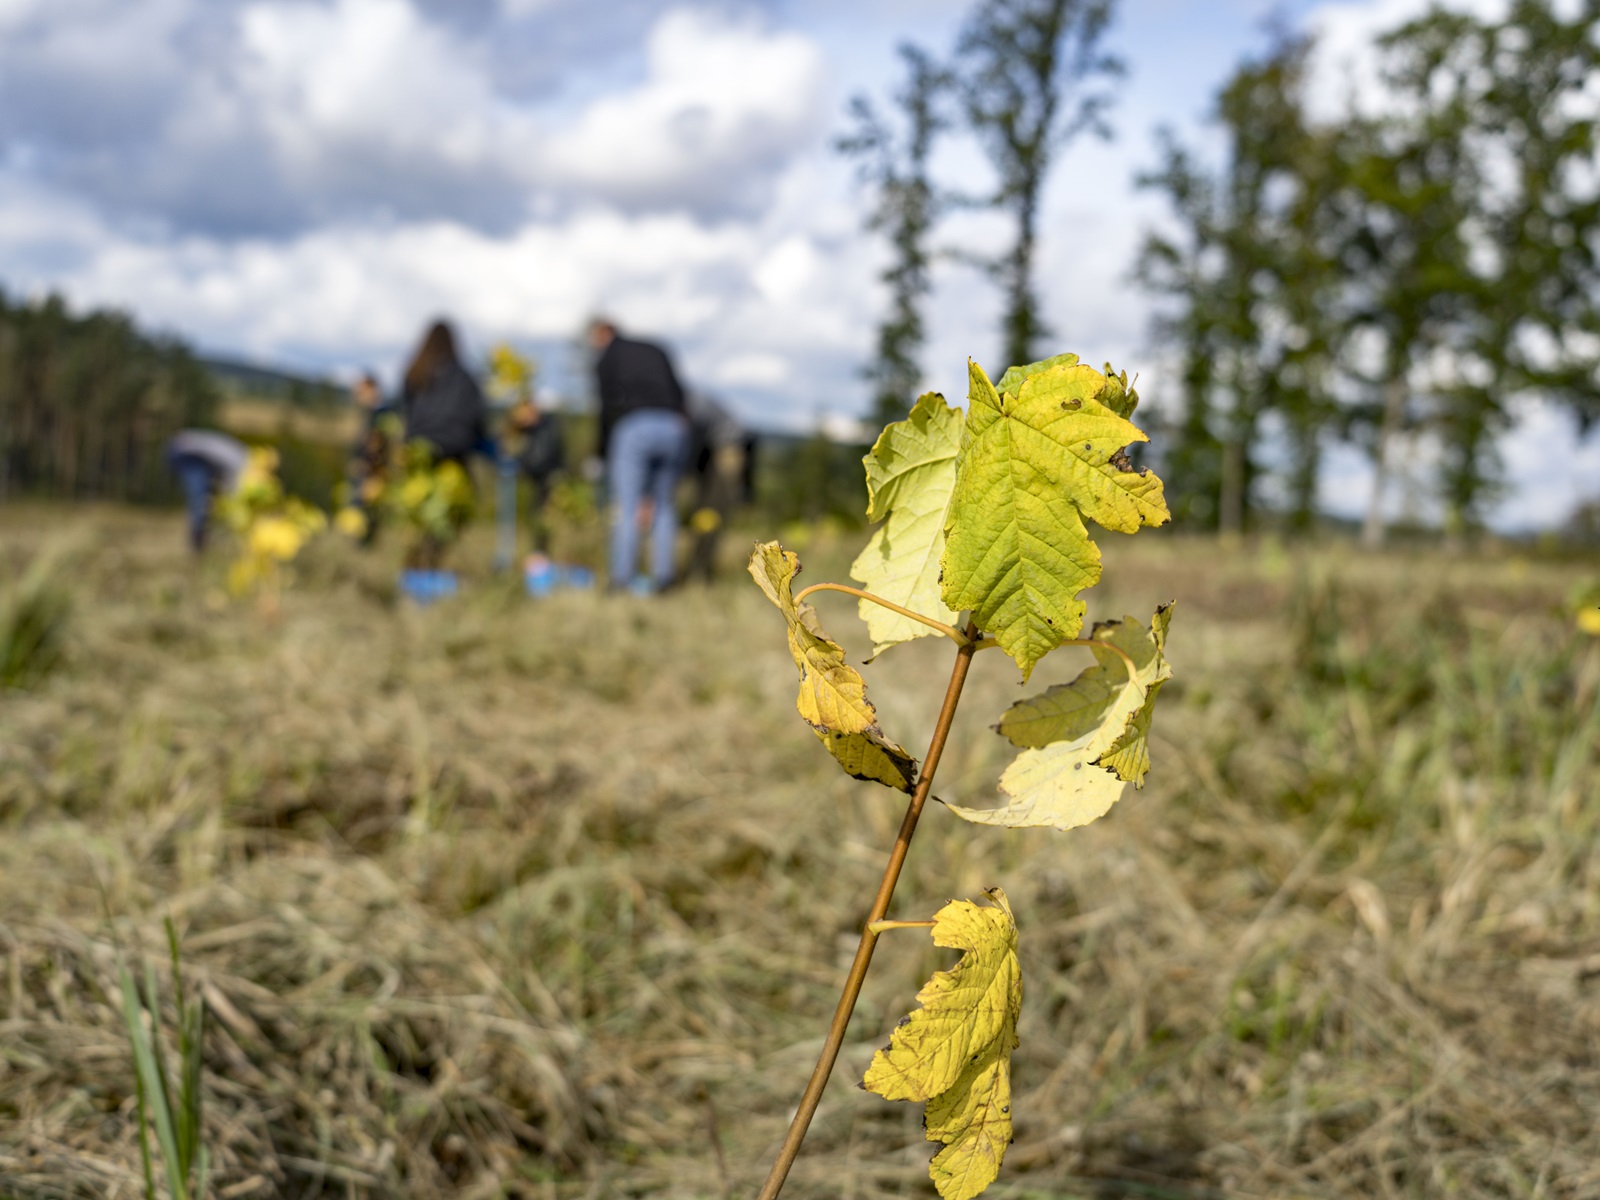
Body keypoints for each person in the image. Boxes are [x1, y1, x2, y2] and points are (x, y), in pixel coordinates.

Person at [590, 318, 690, 592]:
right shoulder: (656, 348)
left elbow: (605, 404)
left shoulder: (608, 355)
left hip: (635, 426)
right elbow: (681, 392)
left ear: (601, 334)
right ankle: (664, 579)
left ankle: (621, 579)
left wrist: (600, 452)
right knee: (663, 505)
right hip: (674, 427)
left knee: (627, 506)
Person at [399, 320, 487, 465]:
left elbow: (405, 410)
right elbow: (477, 416)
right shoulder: (464, 377)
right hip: (456, 448)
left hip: (419, 444)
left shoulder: (415, 373)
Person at [165, 429, 249, 552]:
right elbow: (231, 487)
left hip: (186, 448)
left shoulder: (241, 455)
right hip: (184, 452)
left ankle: (200, 538)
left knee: (202, 500)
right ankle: (198, 540)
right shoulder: (242, 464)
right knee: (199, 500)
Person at [509, 396, 564, 554]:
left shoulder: (547, 428)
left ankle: (542, 555)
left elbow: (540, 459)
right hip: (536, 482)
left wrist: (522, 465)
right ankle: (538, 554)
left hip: (547, 481)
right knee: (536, 520)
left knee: (545, 521)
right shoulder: (529, 431)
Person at [346, 371, 393, 544]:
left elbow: (378, 448)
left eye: (360, 391)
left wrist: (368, 468)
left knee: (366, 521)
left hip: (371, 477)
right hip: (366, 474)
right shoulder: (373, 414)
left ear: (372, 389)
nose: (357, 396)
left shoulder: (381, 415)